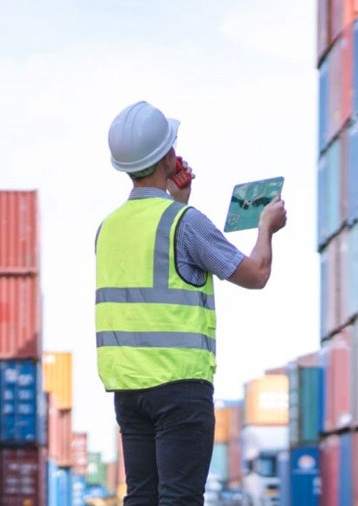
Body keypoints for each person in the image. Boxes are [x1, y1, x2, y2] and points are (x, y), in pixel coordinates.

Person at [95, 101, 287, 505]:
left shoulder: (107, 229)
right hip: (180, 389)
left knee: (142, 497)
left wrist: (176, 200)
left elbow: (154, 267)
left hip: (130, 392)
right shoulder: (186, 224)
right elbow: (256, 274)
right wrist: (267, 226)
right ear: (168, 155)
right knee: (181, 498)